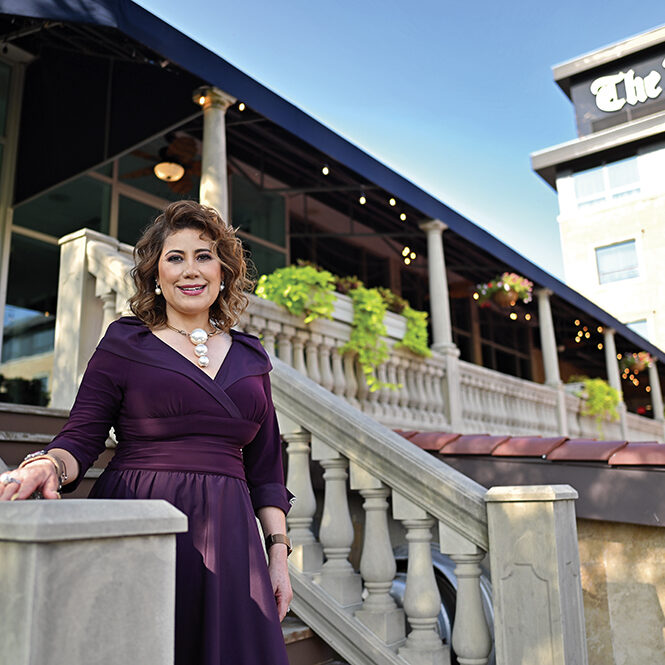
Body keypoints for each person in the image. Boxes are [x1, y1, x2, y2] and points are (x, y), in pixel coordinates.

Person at [0, 200, 293, 665]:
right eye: (175, 258)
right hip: (141, 516)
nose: (190, 270)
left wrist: (277, 552)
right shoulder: (124, 342)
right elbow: (81, 435)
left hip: (232, 534)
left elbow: (266, 467)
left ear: (223, 272)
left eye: (204, 255)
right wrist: (46, 464)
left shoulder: (252, 356)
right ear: (156, 274)